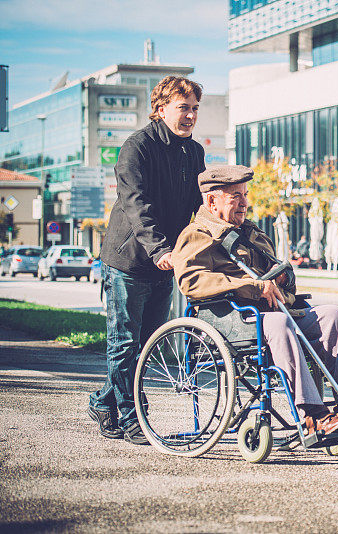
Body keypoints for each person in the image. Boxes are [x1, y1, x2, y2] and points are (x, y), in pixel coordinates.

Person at [172, 165, 338, 442]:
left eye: (245, 195)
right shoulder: (196, 235)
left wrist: (283, 280)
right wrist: (252, 287)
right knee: (279, 322)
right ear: (211, 201)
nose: (244, 203)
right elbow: (191, 281)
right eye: (235, 197)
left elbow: (280, 279)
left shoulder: (252, 233)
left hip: (272, 312)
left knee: (332, 315)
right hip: (230, 318)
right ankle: (312, 414)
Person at [88, 76, 206, 445]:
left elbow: (199, 204)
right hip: (129, 261)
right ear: (160, 109)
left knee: (144, 343)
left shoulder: (194, 152)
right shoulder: (136, 147)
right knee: (123, 343)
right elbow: (136, 204)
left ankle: (101, 401)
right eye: (183, 107)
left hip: (166, 261)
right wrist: (159, 249)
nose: (190, 116)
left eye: (195, 109)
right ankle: (130, 416)